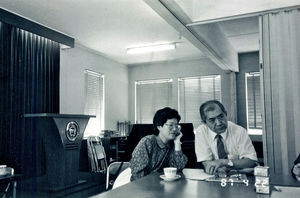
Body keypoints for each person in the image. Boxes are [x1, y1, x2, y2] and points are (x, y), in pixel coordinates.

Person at [195, 100, 257, 175]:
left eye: (221, 116)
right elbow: (207, 163)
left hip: (238, 177)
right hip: (216, 177)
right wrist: (233, 165)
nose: (218, 123)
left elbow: (250, 161)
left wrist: (223, 162)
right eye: (212, 120)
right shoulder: (201, 132)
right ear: (205, 123)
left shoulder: (239, 131)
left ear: (225, 114)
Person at [130, 107, 188, 181]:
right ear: (159, 126)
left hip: (159, 184)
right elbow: (137, 174)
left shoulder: (172, 144)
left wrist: (177, 142)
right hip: (140, 185)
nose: (174, 129)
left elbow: (178, 168)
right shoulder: (147, 142)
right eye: (170, 125)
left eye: (176, 125)